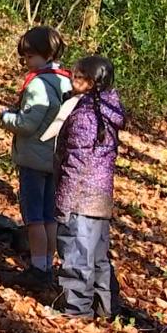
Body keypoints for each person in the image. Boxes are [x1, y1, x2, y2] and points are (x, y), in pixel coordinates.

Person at [0, 26, 72, 288]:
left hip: (34, 159)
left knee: (34, 216)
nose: (26, 62)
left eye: (29, 56)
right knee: (49, 216)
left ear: (43, 54)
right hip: (56, 159)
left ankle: (38, 268)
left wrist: (6, 117)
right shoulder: (67, 80)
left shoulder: (39, 84)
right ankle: (47, 266)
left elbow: (28, 123)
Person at [53, 55, 125, 317]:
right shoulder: (109, 110)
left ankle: (77, 311)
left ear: (91, 82)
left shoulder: (86, 116)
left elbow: (76, 163)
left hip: (81, 196)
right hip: (101, 196)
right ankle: (106, 309)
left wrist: (65, 203)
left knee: (77, 255)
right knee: (97, 257)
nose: (71, 80)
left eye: (76, 76)